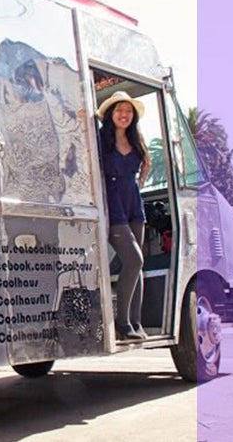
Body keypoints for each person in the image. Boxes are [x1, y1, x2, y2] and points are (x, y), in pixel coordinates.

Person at [97, 90, 151, 341]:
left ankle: (136, 322)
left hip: (133, 203)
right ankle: (121, 322)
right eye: (119, 110)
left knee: (137, 265)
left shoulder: (136, 138)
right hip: (113, 202)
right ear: (110, 114)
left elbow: (146, 163)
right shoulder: (101, 139)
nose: (124, 114)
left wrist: (140, 181)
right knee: (134, 260)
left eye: (128, 111)